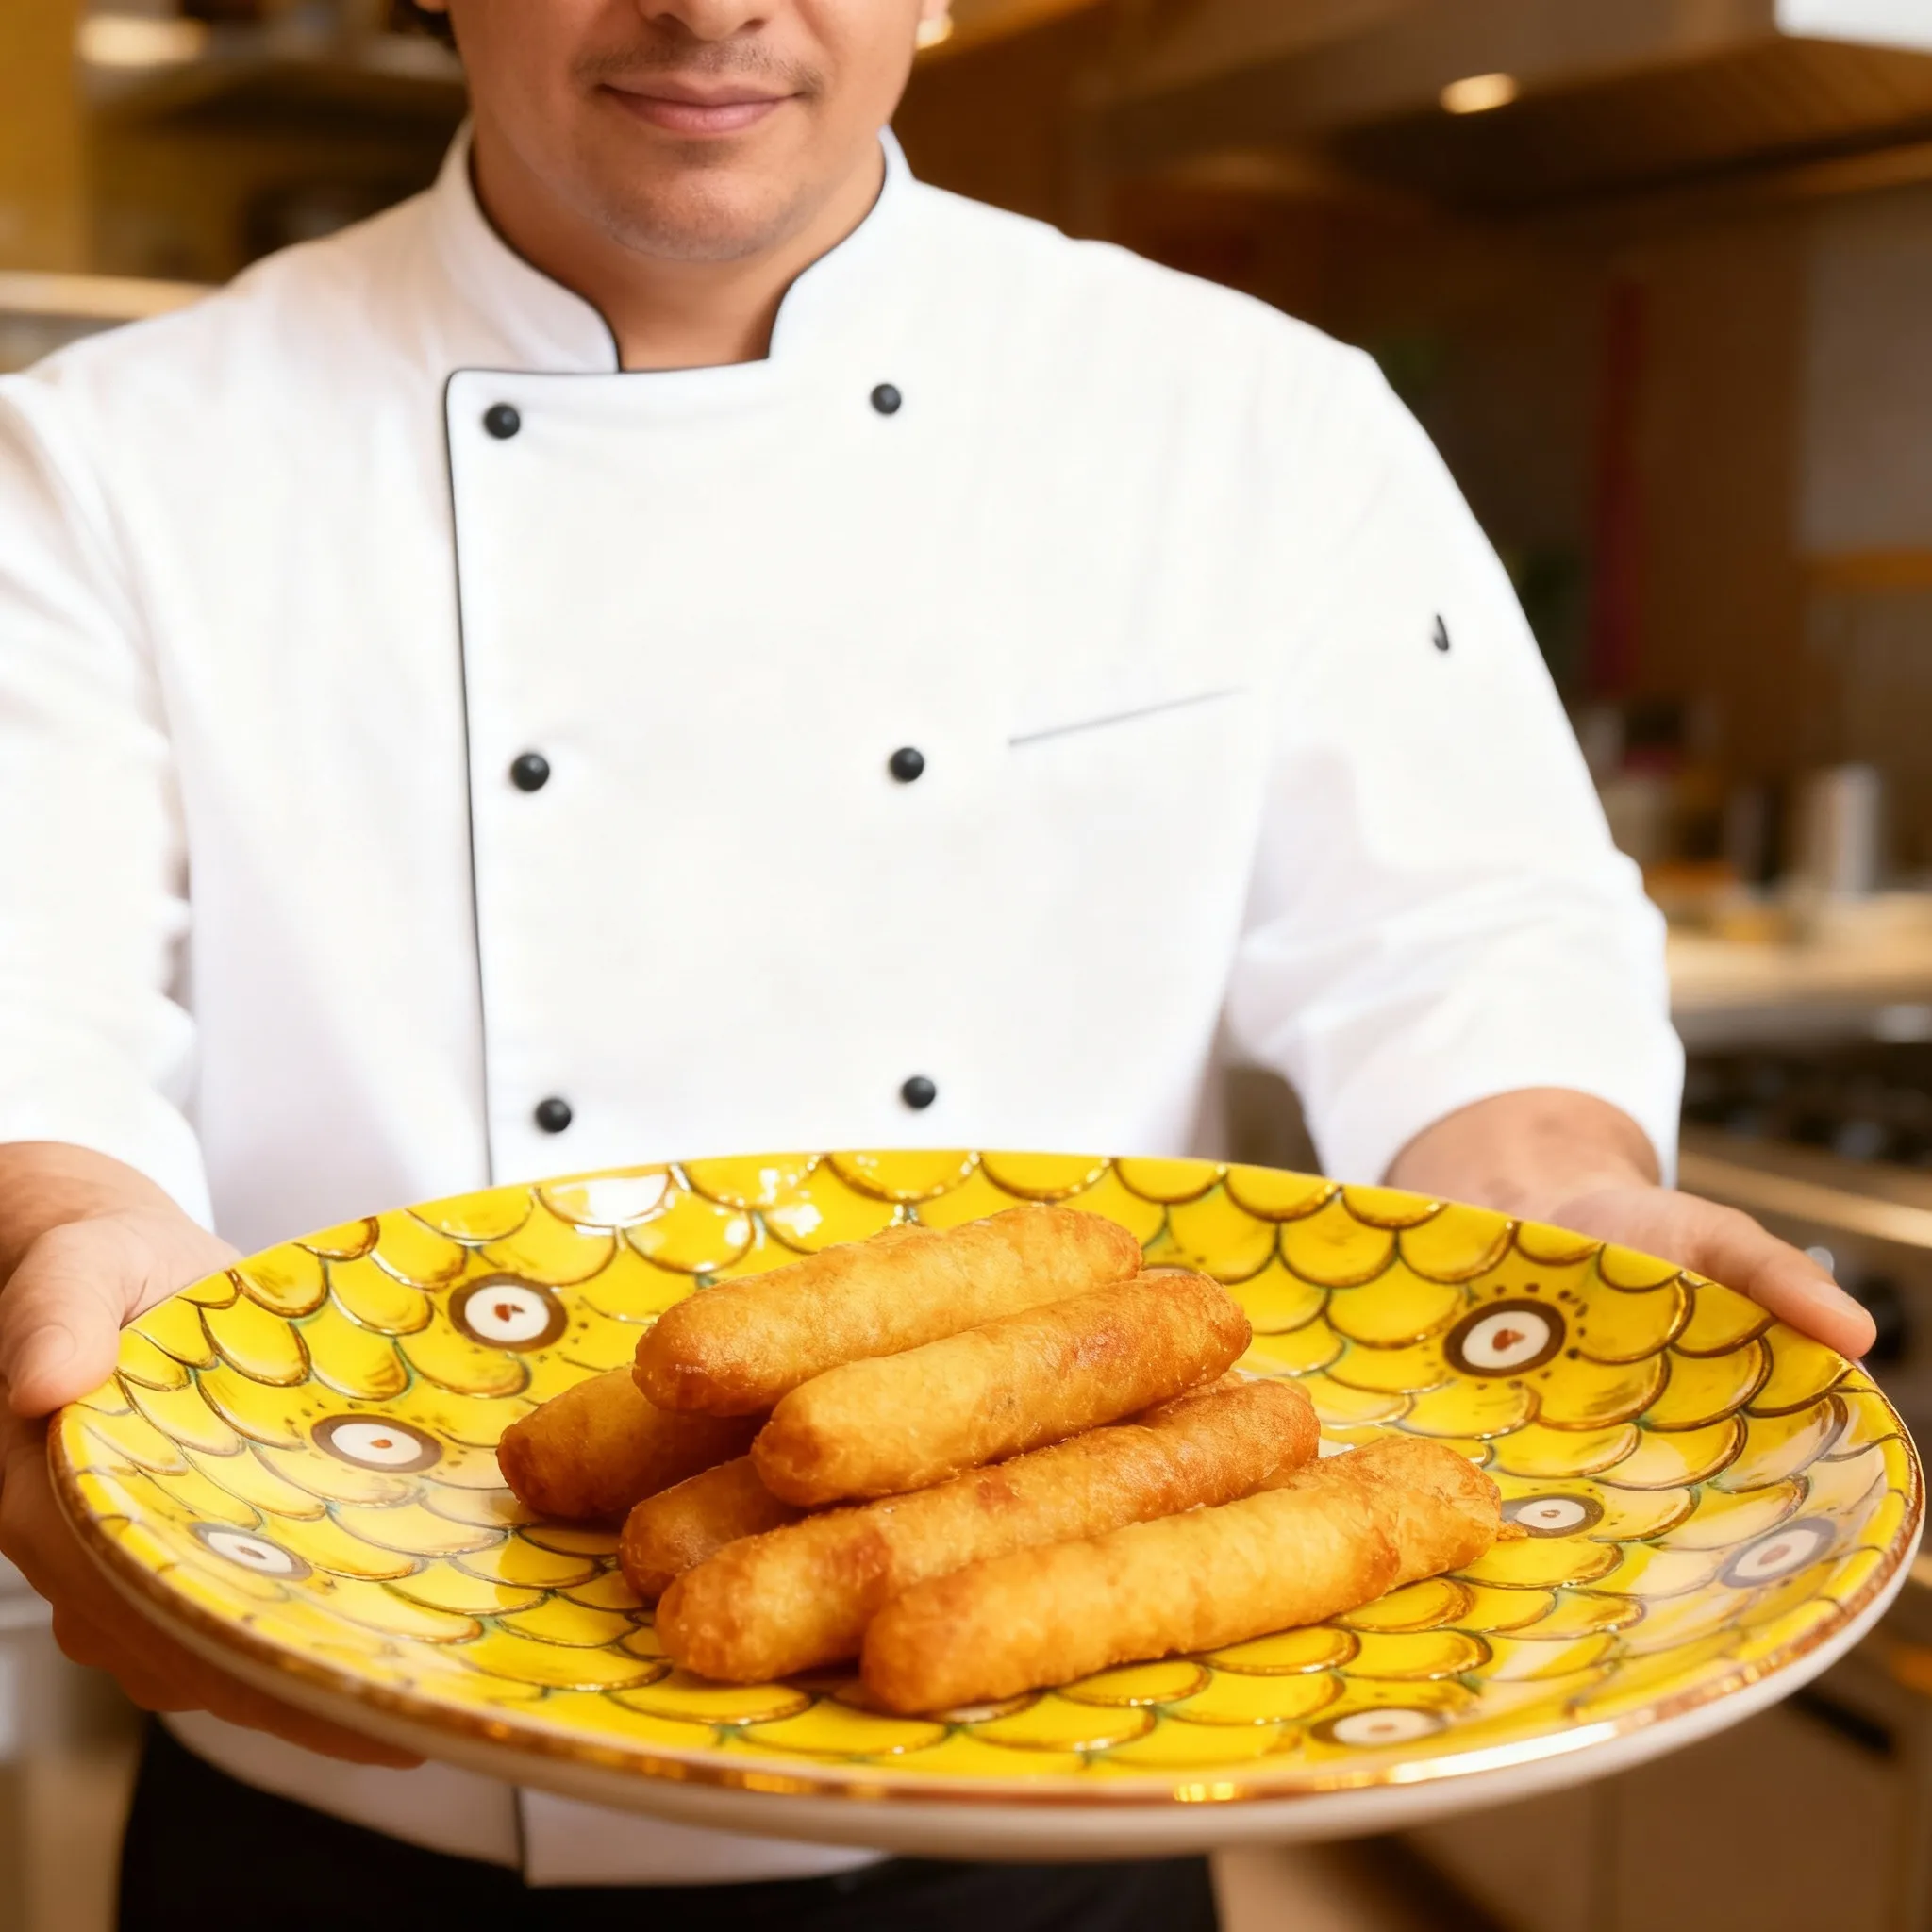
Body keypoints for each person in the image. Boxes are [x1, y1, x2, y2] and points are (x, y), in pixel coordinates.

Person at [0, 1, 1874, 1926]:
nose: (711, 3)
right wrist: (58, 1221)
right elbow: (25, 1000)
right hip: (340, 1799)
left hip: (1052, 1809)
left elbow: (1464, 937)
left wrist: (1548, 1198)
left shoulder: (1249, 420)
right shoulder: (114, 459)